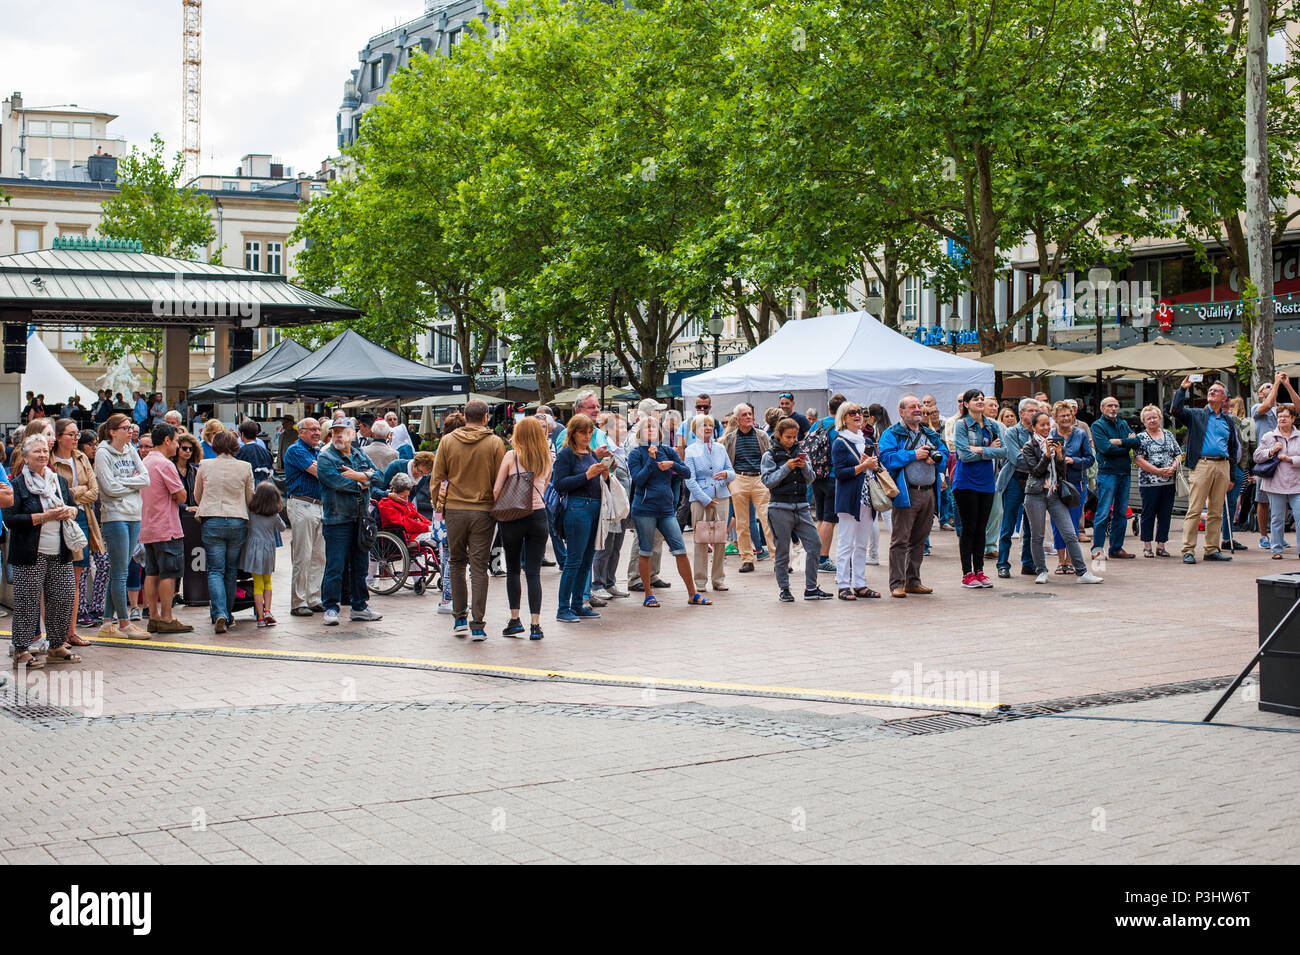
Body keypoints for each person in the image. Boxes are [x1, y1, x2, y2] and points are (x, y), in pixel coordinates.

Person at [4, 434, 83, 667]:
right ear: (25, 458)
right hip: (29, 554)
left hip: (60, 552)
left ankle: (56, 645)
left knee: (62, 599)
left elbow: (76, 508)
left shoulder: (58, 481)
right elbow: (10, 519)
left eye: (44, 451)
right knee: (27, 602)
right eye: (36, 451)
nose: (41, 454)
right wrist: (44, 517)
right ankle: (21, 649)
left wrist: (69, 512)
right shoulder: (16, 485)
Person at [432, 399, 506, 639]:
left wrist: (439, 506)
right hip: (483, 511)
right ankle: (478, 624)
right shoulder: (495, 443)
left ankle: (459, 618)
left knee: (456, 562)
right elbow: (500, 481)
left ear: (465, 415)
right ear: (486, 417)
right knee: (478, 568)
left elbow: (437, 478)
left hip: (454, 509)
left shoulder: (447, 441)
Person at [627, 416, 709, 607]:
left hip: (665, 509)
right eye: (646, 427)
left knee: (680, 549)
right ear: (640, 433)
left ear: (659, 432)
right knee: (646, 550)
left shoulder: (667, 451)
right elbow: (639, 480)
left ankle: (692, 594)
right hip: (644, 509)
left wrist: (672, 464)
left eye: (654, 427)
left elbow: (687, 472)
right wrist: (651, 460)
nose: (650, 430)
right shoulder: (635, 454)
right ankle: (648, 594)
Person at [1021, 412, 1104, 585]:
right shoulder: (1030, 446)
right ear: (1034, 427)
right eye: (1041, 425)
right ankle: (1041, 570)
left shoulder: (1058, 442)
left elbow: (1062, 473)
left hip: (1055, 493)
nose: (1045, 428)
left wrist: (1059, 456)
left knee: (1070, 533)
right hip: (1035, 494)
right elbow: (1036, 471)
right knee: (1038, 535)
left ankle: (1082, 572)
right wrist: (1046, 455)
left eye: (1047, 425)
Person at [878, 394, 947, 598]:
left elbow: (945, 454)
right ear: (901, 412)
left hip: (928, 492)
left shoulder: (929, 433)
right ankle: (896, 584)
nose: (918, 409)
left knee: (919, 539)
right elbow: (886, 458)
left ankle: (913, 581)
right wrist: (913, 455)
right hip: (906, 492)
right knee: (900, 540)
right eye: (912, 407)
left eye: (919, 406)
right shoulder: (892, 433)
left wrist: (936, 459)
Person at [317, 419, 382, 625]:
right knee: (335, 567)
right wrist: (363, 482)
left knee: (360, 566)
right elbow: (337, 482)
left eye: (342, 431)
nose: (338, 435)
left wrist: (358, 475)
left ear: (352, 435)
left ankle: (359, 606)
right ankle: (331, 608)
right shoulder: (326, 457)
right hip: (337, 520)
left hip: (360, 519)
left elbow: (380, 476)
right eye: (334, 431)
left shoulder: (359, 454)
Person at [492, 415, 552, 639]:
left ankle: (515, 620)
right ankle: (536, 624)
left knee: (513, 569)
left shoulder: (511, 456)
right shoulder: (546, 459)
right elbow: (544, 487)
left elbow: (497, 489)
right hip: (538, 516)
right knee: (534, 572)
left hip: (514, 517)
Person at [93, 413, 151, 639]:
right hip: (115, 516)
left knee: (121, 569)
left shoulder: (131, 449)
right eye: (126, 428)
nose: (130, 431)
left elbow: (145, 479)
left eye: (130, 428)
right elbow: (108, 488)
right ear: (112, 432)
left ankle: (108, 622)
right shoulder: (102, 453)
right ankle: (124, 623)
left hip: (134, 514)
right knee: (120, 572)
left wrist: (123, 483)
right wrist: (132, 485)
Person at [762, 417, 832, 601]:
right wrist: (786, 467)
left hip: (801, 506)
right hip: (779, 507)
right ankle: (784, 589)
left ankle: (811, 588)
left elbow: (811, 478)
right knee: (783, 550)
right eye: (788, 437)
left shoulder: (801, 452)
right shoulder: (770, 455)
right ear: (779, 435)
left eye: (794, 437)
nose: (792, 440)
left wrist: (803, 467)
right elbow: (768, 481)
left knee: (815, 544)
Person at [552, 414, 612, 622]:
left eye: (589, 433)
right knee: (573, 560)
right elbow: (559, 483)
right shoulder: (566, 455)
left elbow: (600, 481)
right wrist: (587, 475)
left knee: (587, 560)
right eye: (583, 433)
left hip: (594, 508)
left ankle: (578, 604)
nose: (587, 437)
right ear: (573, 433)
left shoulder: (589, 453)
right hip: (577, 509)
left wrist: (604, 473)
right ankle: (563, 607)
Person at [194, 429, 255, 633]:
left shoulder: (205, 465)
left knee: (214, 570)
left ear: (215, 445)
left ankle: (219, 612)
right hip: (237, 520)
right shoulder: (245, 467)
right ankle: (227, 615)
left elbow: (197, 495)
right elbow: (250, 498)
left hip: (212, 519)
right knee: (230, 571)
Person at [1173, 377, 1238, 564]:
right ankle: (1188, 550)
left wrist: (1231, 475)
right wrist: (1182, 389)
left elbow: (1232, 448)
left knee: (1216, 511)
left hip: (1222, 465)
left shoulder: (1228, 420)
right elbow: (1176, 410)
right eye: (1210, 390)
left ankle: (1211, 549)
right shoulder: (1196, 414)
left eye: (1216, 391)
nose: (1211, 392)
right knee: (1194, 509)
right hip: (1202, 464)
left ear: (1224, 398)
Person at [137, 424, 193, 635]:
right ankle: (167, 617)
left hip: (148, 525)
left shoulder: (145, 461)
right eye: (177, 441)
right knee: (169, 573)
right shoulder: (165, 464)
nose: (178, 446)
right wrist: (173, 495)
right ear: (167, 440)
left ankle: (153, 616)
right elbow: (181, 495)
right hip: (166, 526)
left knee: (151, 572)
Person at [51, 418, 101, 647]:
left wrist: (71, 493)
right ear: (59, 436)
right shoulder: (50, 459)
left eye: (77, 434)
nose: (76, 439)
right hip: (56, 520)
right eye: (71, 434)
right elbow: (53, 495)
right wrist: (77, 493)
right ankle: (55, 635)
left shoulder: (81, 457)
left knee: (77, 578)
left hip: (81, 518)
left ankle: (71, 632)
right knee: (55, 578)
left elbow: (94, 492)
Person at [952, 389, 1009, 588]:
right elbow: (964, 456)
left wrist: (980, 449)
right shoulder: (962, 425)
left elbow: (1004, 451)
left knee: (981, 529)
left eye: (982, 399)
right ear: (966, 404)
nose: (980, 401)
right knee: (969, 528)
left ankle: (980, 571)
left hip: (987, 482)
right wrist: (989, 450)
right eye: (975, 399)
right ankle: (967, 573)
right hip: (965, 481)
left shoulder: (993, 425)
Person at [830, 401, 881, 600]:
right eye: (852, 413)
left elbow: (875, 467)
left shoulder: (866, 441)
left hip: (867, 497)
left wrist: (874, 465)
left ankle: (860, 583)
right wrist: (863, 466)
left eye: (859, 412)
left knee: (861, 544)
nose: (857, 415)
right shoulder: (840, 442)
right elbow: (840, 473)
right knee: (846, 543)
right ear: (843, 417)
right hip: (849, 498)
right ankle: (843, 584)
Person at [683, 413, 735, 593]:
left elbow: (731, 471)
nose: (707, 428)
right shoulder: (690, 450)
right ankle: (699, 580)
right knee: (701, 540)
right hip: (700, 499)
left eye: (710, 425)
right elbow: (689, 479)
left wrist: (726, 475)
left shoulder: (720, 448)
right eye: (703, 425)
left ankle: (719, 578)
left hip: (721, 496)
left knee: (720, 539)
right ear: (695, 430)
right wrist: (704, 499)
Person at [722, 403, 773, 573]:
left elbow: (771, 456)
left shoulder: (762, 435)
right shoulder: (729, 438)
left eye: (750, 414)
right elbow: (726, 460)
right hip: (739, 478)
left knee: (767, 520)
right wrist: (730, 481)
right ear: (736, 419)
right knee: (742, 523)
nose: (749, 417)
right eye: (744, 415)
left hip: (759, 478)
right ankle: (746, 559)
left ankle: (778, 559)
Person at [283, 418, 327, 617]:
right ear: (301, 432)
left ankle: (314, 598)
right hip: (302, 503)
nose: (317, 433)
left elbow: (325, 469)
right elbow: (320, 472)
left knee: (319, 555)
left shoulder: (318, 452)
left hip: (319, 506)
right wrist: (326, 468)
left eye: (318, 429)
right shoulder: (296, 450)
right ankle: (298, 601)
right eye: (312, 430)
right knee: (303, 554)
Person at [1251, 373, 1300, 548]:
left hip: (1287, 463)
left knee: (1283, 501)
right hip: (1268, 461)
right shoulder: (1257, 407)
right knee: (1263, 500)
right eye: (1267, 387)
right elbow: (1268, 404)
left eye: (1272, 385)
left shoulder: (1283, 408)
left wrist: (1287, 384)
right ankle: (1264, 535)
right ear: (1260, 394)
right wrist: (1277, 383)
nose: (1271, 386)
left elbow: (1298, 406)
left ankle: (1279, 536)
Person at [1090, 396, 1141, 561]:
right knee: (1103, 513)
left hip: (1124, 473)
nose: (1113, 409)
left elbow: (1137, 442)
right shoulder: (1098, 426)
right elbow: (1105, 448)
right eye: (1109, 406)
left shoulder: (1122, 423)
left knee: (1121, 513)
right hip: (1107, 473)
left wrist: (1119, 442)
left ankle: (1116, 548)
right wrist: (1127, 445)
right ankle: (1097, 550)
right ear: (1102, 408)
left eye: (1116, 406)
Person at [993, 398, 1039, 578]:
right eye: (1031, 410)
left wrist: (1030, 457)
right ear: (1021, 413)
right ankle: (1003, 564)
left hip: (1033, 480)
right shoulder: (1012, 432)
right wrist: (1037, 460)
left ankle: (1027, 563)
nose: (1035, 413)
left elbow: (1044, 458)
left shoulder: (1040, 432)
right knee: (1008, 525)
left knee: (1030, 525)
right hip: (1014, 479)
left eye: (1037, 410)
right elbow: (1016, 459)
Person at [1048, 400, 1094, 573]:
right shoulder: (1051, 434)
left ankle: (1072, 560)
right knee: (1057, 523)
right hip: (1056, 484)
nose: (1066, 418)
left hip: (1076, 484)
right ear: (1056, 418)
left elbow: (1090, 459)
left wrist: (1074, 461)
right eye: (1062, 416)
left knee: (1073, 523)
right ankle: (1061, 562)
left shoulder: (1080, 434)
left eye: (1068, 415)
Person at [591, 413, 631, 601]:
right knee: (605, 546)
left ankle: (610, 581)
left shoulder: (624, 450)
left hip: (622, 505)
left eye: (625, 427)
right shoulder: (607, 449)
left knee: (616, 546)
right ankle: (597, 583)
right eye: (620, 427)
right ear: (609, 430)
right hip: (610, 505)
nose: (624, 430)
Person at [1134, 404, 1182, 558]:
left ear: (1160, 418)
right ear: (1144, 421)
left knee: (1165, 514)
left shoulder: (1168, 434)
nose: (1152, 420)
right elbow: (1138, 459)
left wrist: (1173, 467)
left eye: (1155, 417)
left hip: (1168, 482)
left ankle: (1161, 545)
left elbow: (1178, 453)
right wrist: (1158, 471)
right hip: (1149, 483)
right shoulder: (1140, 437)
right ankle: (1147, 546)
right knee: (1148, 513)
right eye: (1148, 418)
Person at [75, 429, 110, 627]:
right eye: (91, 444)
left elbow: (95, 493)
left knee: (104, 565)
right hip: (82, 519)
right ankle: (80, 611)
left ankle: (97, 606)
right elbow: (85, 493)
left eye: (97, 444)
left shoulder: (98, 464)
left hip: (97, 522)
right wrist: (86, 492)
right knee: (84, 569)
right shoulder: (79, 465)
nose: (95, 448)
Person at [810, 393, 845, 573]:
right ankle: (823, 558)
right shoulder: (840, 428)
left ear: (829, 407)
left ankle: (815, 555)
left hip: (817, 476)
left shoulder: (819, 423)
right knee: (829, 520)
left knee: (821, 518)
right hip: (832, 476)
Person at [241, 481, 284, 627]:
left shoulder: (251, 513)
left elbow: (245, 525)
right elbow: (283, 528)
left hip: (253, 550)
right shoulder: (274, 515)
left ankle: (259, 618)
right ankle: (267, 611)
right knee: (268, 582)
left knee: (257, 584)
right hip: (268, 550)